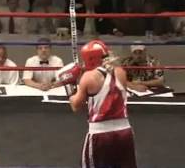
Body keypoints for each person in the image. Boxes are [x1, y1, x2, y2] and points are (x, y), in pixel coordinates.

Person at [57, 40, 137, 168]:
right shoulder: (120, 72)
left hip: (100, 134)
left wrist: (69, 85)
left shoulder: (89, 77)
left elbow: (75, 105)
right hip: (124, 132)